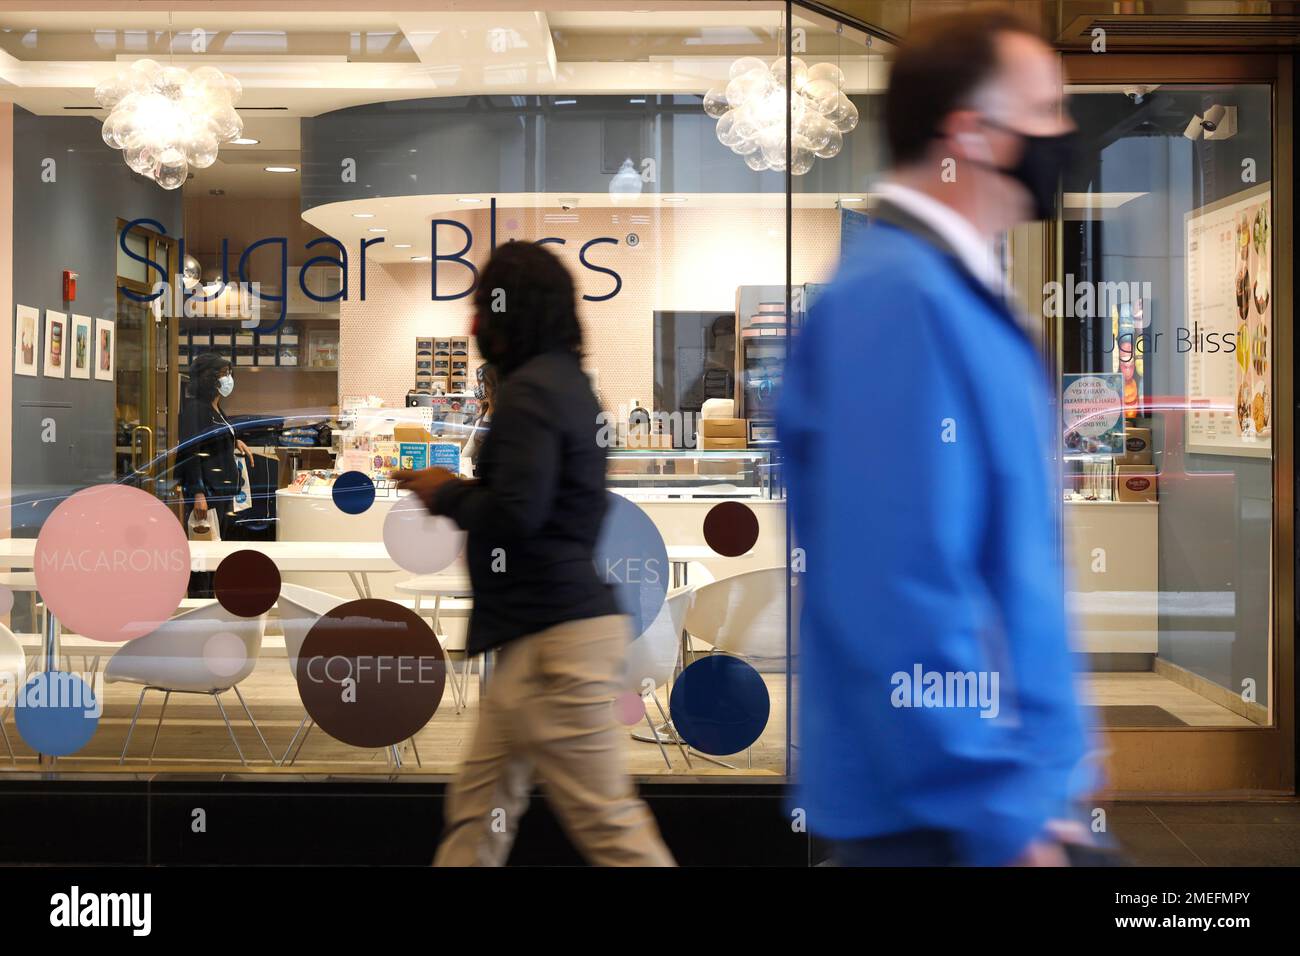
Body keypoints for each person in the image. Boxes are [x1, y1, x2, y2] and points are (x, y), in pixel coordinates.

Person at [779, 10, 1097, 867]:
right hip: (937, 824)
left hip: (990, 807)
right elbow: (901, 583)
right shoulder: (898, 304)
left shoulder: (950, 293)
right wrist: (995, 805)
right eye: (1047, 110)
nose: (1065, 133)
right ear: (971, 131)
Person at [394, 240, 675, 867]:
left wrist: (446, 492)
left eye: (483, 307)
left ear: (507, 311)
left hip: (553, 643)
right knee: (478, 811)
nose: (472, 324)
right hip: (541, 635)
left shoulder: (529, 393)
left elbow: (517, 511)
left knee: (608, 825)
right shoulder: (569, 386)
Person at [177, 353, 254, 592]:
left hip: (222, 493)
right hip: (207, 496)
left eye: (229, 373)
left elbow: (214, 438)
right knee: (203, 557)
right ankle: (200, 605)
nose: (228, 379)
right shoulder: (195, 409)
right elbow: (192, 451)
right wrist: (198, 492)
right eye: (223, 374)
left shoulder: (216, 408)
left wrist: (233, 442)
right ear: (209, 378)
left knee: (217, 555)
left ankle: (212, 601)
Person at [461, 362, 498, 475]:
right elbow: (467, 452)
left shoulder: (507, 417)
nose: (478, 390)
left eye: (482, 385)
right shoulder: (483, 417)